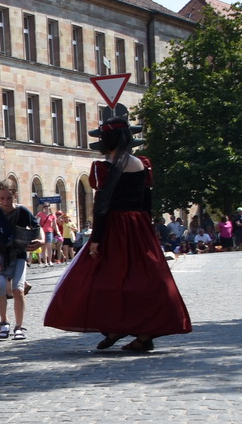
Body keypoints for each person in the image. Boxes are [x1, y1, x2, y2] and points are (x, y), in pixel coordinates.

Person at [43, 108, 192, 353]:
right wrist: (149, 231)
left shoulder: (104, 167)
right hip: (139, 226)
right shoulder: (141, 164)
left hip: (115, 226)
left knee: (101, 277)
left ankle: (118, 326)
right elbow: (146, 201)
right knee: (145, 278)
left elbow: (102, 206)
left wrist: (96, 238)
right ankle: (138, 333)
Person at [0, 182, 40, 340]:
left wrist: (41, 241)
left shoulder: (22, 211)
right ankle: (4, 322)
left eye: (9, 198)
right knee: (0, 286)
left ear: (14, 195)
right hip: (0, 253)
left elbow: (37, 227)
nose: (5, 202)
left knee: (18, 289)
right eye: (2, 198)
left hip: (19, 253)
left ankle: (19, 326)